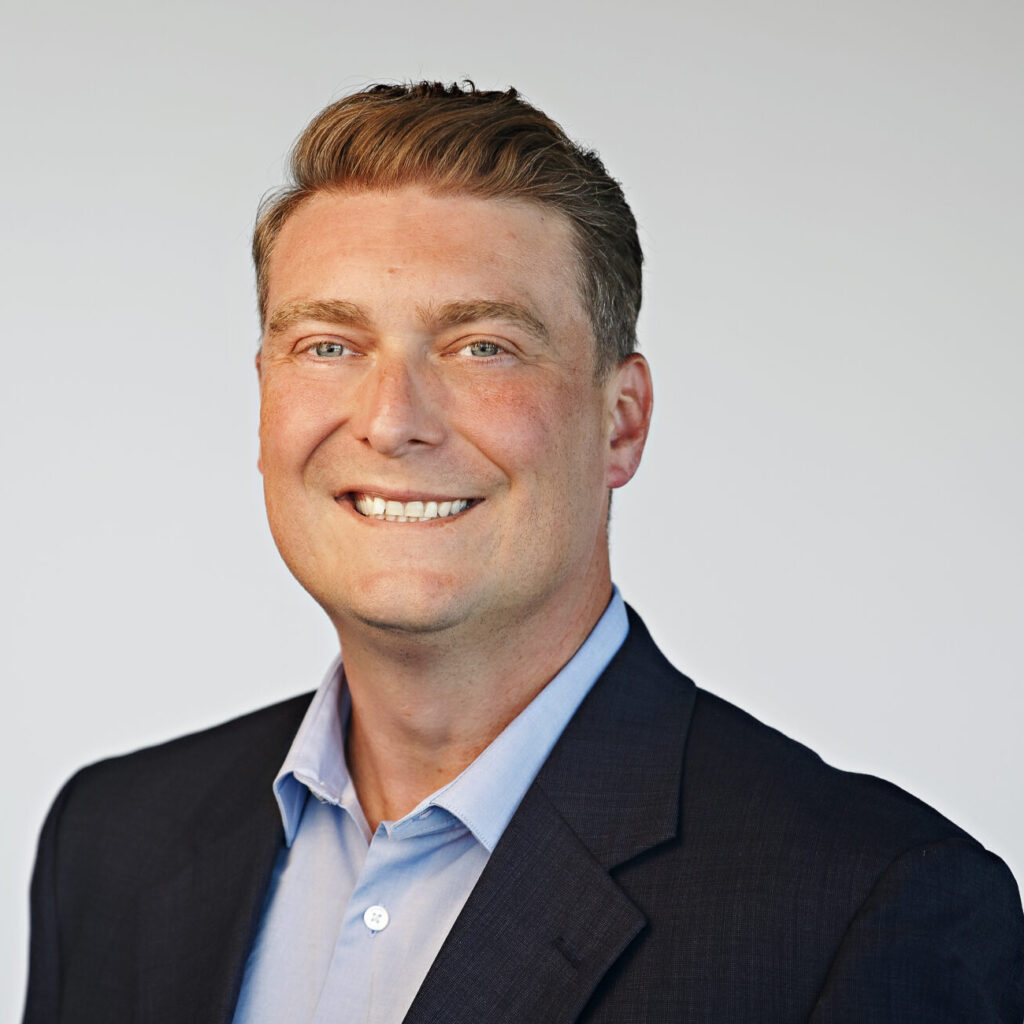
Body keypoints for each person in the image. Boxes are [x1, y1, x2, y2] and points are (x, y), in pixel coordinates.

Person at [22, 81, 1024, 1024]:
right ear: (263, 403)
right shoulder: (109, 845)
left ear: (621, 420)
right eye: (329, 345)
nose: (392, 420)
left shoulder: (868, 906)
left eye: (482, 346)